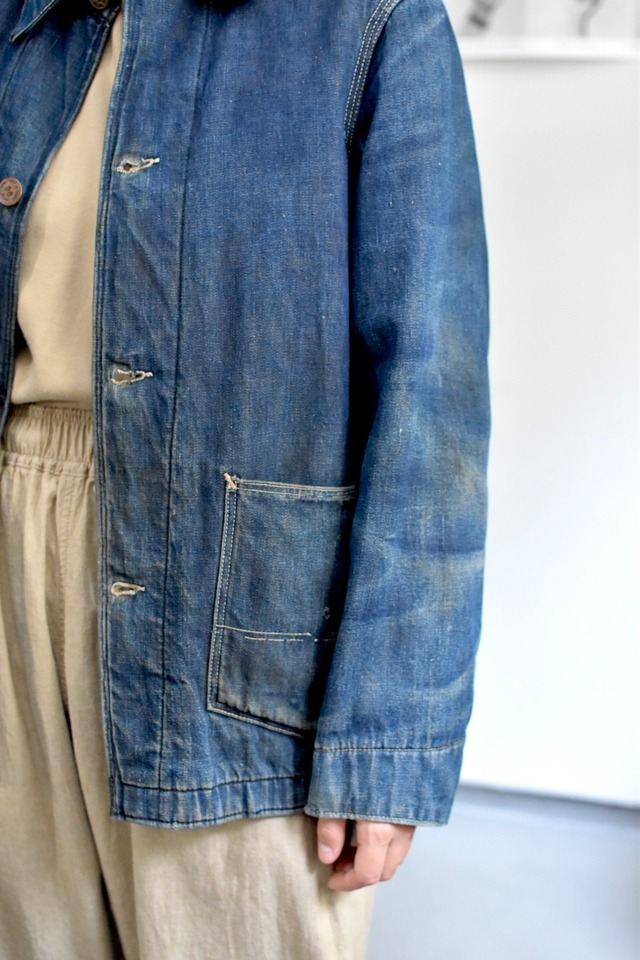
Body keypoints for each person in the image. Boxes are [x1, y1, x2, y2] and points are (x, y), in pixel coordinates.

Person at [0, 0, 490, 956]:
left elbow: (434, 398)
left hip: (231, 606)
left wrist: (388, 741)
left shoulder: (370, 22)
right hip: (17, 534)